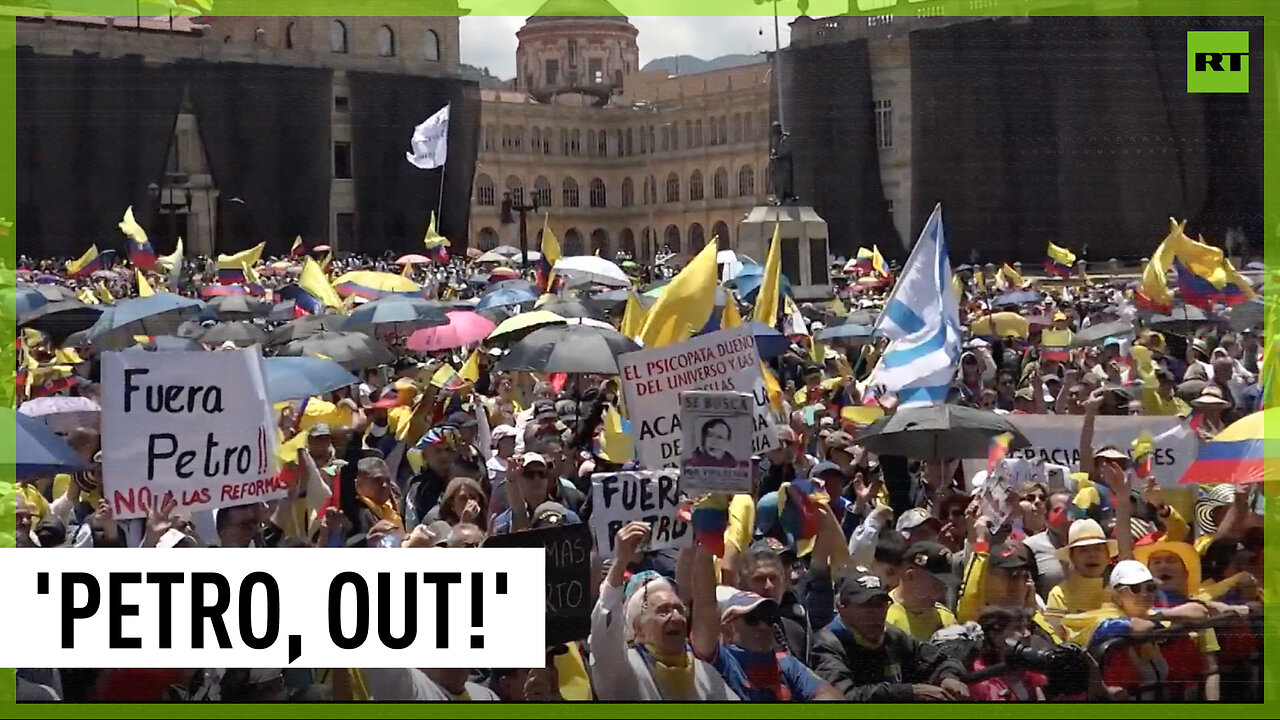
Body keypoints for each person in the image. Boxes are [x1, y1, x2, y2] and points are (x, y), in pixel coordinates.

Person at [588, 521, 738, 701]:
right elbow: (604, 630)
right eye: (663, 611)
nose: (675, 617)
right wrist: (620, 561)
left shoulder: (706, 674)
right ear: (638, 629)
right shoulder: (623, 670)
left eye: (678, 609)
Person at [687, 546, 843, 701]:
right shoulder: (720, 662)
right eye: (752, 619)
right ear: (727, 629)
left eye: (769, 617)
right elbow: (704, 608)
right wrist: (706, 547)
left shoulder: (785, 663)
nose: (763, 626)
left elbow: (830, 694)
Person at [810, 570, 969, 701]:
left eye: (881, 604)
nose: (876, 613)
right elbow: (843, 697)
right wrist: (909, 692)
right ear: (842, 608)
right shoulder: (827, 645)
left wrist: (949, 677)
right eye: (867, 606)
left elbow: (938, 660)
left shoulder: (892, 635)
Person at [886, 542, 960, 641]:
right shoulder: (881, 615)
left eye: (945, 586)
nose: (941, 592)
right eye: (935, 584)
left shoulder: (946, 620)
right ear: (910, 576)